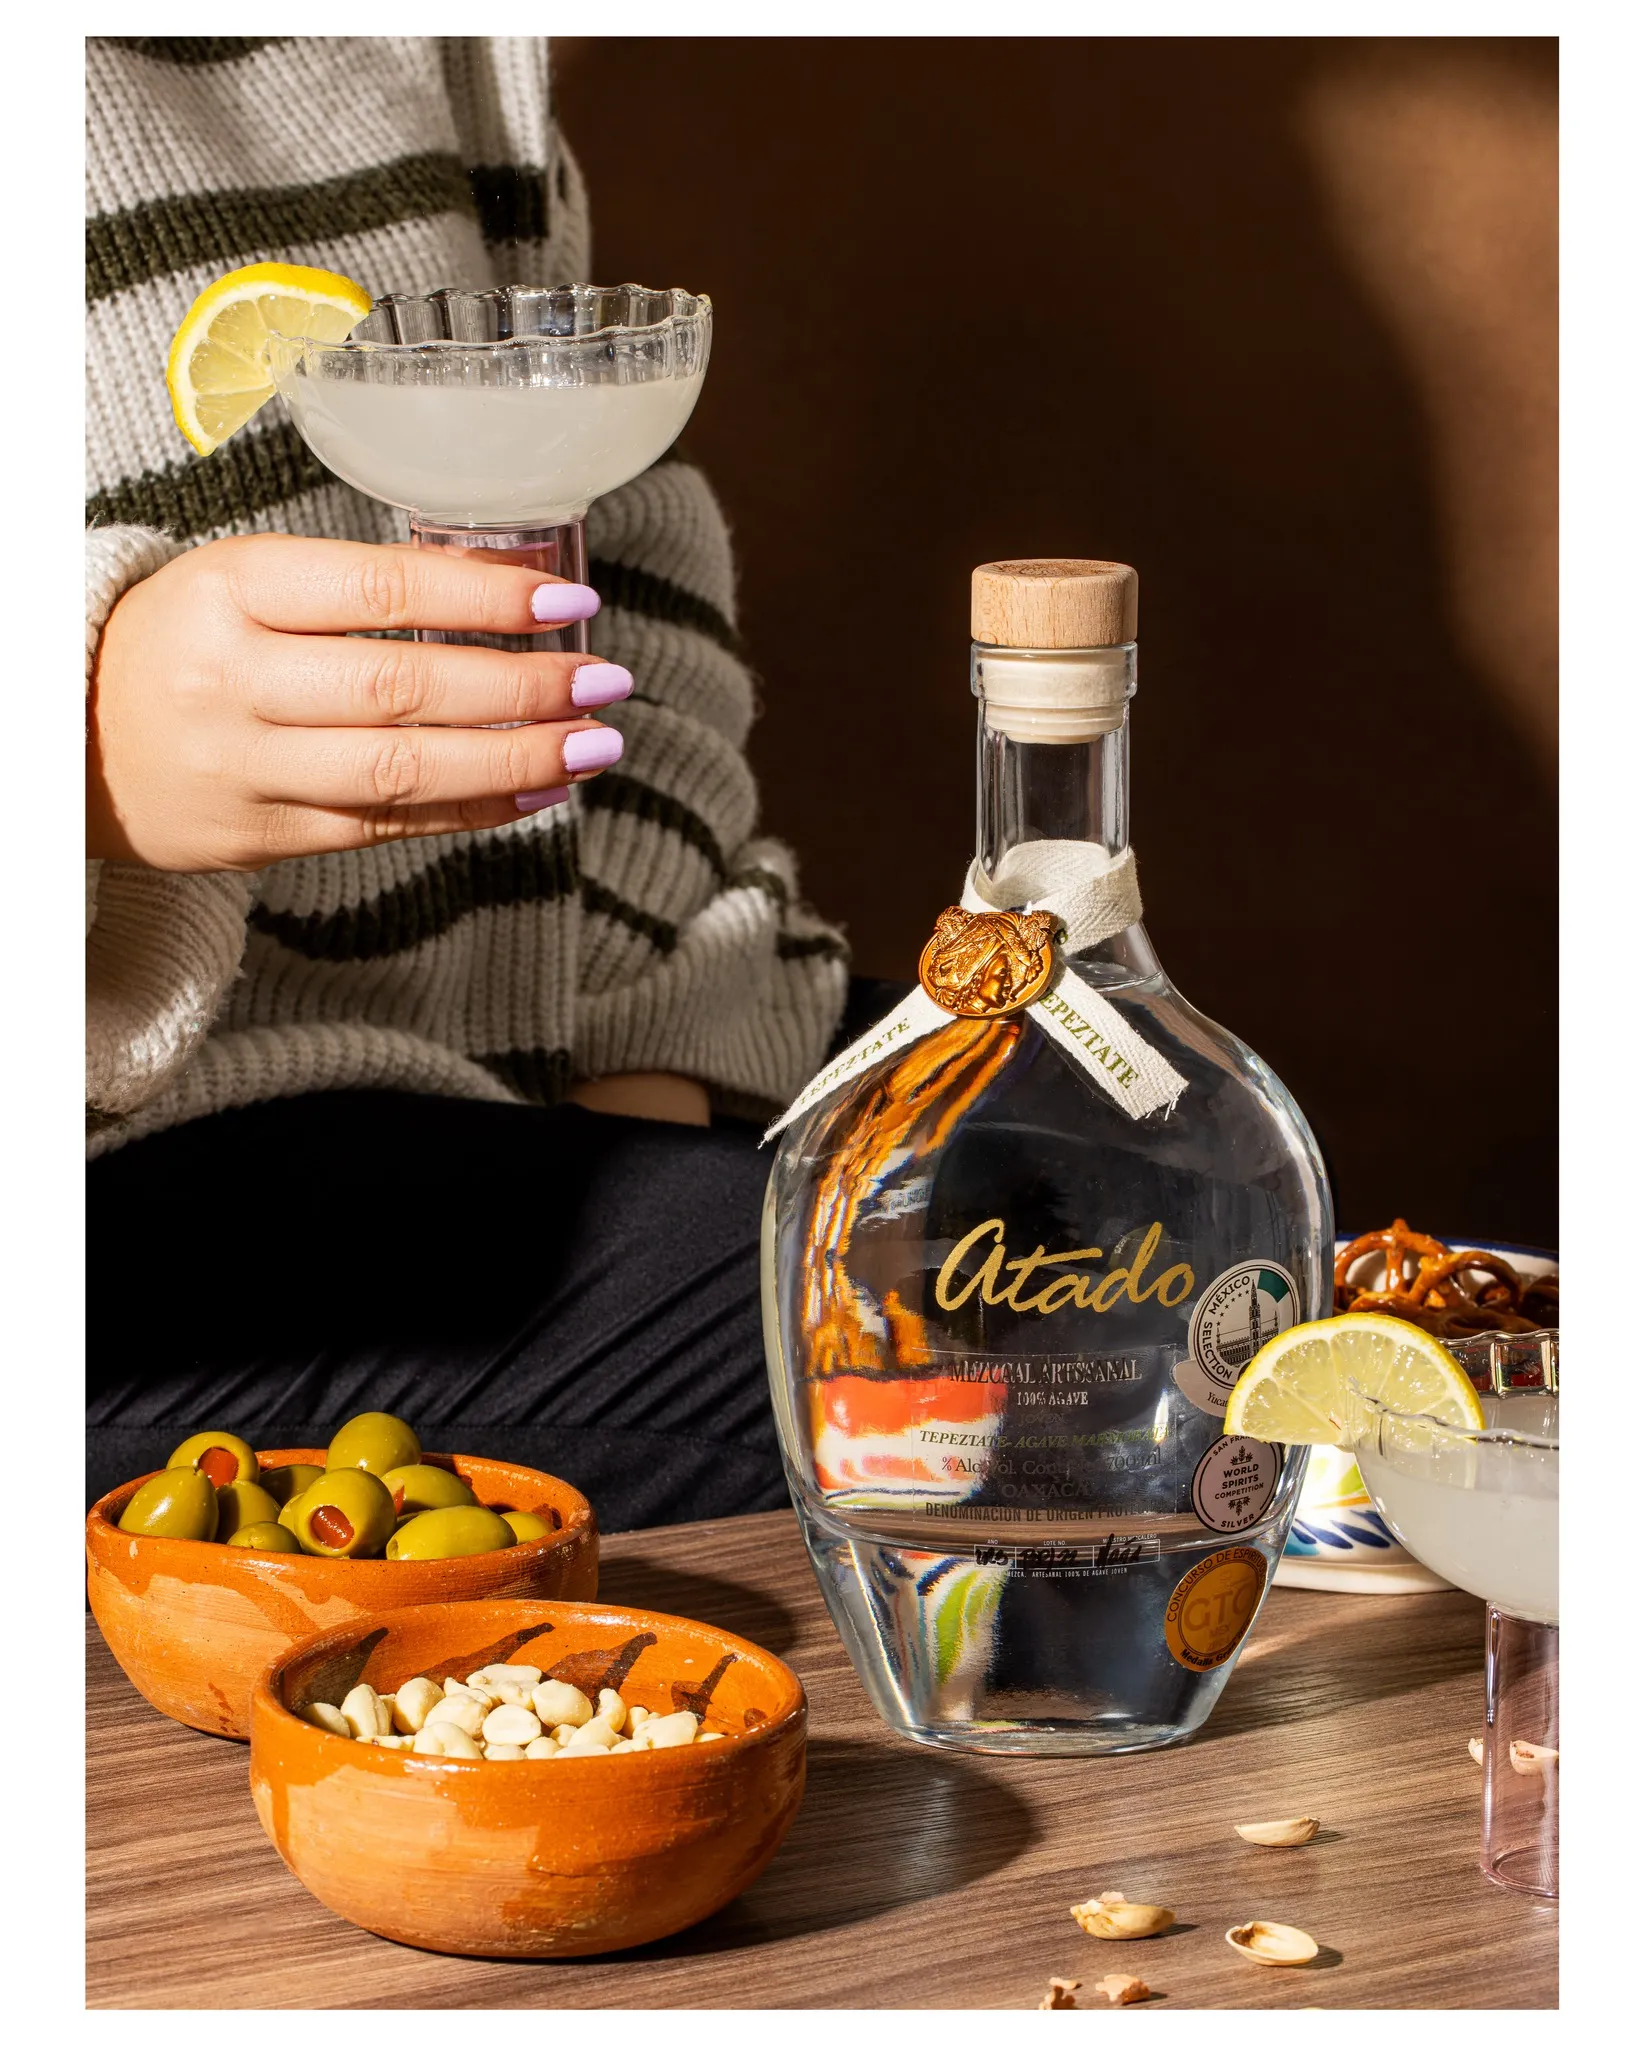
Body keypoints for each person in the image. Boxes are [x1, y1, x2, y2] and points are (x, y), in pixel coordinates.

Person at [85, 36, 854, 1524]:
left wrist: (643, 1030)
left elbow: (622, 546)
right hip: (116, 1210)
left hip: (500, 1090)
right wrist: (75, 757)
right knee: (990, 1333)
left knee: (1155, 1208)